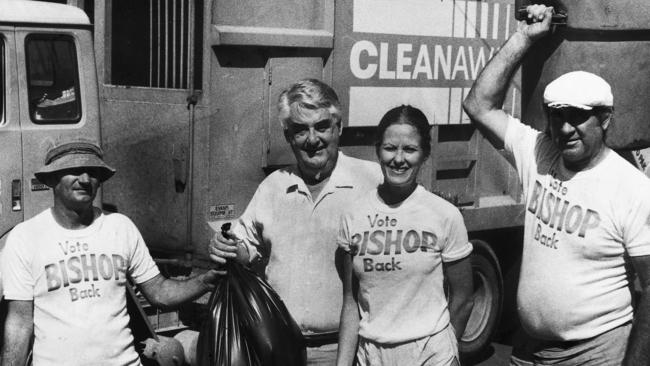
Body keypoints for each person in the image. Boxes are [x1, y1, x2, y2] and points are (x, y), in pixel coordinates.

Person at [462, 5, 650, 365]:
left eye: (579, 117)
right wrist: (525, 37)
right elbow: (479, 105)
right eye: (557, 116)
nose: (565, 129)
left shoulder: (632, 188)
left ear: (605, 119)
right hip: (530, 349)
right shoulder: (538, 152)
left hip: (594, 353)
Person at [1, 141, 223, 366]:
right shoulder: (26, 237)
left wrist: (205, 281)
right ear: (51, 180)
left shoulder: (119, 227)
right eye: (75, 171)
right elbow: (19, 323)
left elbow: (159, 292)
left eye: (93, 173)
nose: (86, 180)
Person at [209, 79, 383, 364]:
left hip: (345, 350)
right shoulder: (274, 187)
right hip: (279, 348)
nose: (312, 139)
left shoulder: (371, 181)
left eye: (322, 126)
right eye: (300, 129)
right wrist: (226, 247)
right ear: (287, 135)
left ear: (339, 128)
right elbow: (245, 247)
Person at [334, 105, 474, 366]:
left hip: (430, 353)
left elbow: (464, 296)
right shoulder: (354, 215)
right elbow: (351, 303)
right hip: (372, 355)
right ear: (378, 151)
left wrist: (446, 350)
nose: (398, 159)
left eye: (409, 149)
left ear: (425, 155)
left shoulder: (445, 214)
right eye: (390, 148)